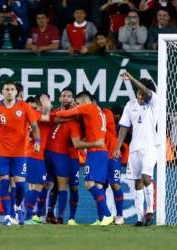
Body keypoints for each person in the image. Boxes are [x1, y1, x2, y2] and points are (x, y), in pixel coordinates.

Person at [55, 91, 114, 226]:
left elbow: (65, 113)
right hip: (102, 152)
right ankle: (101, 218)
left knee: (89, 184)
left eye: (78, 102)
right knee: (98, 186)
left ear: (83, 100)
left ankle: (108, 214)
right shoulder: (98, 110)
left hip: (95, 152)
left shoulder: (88, 107)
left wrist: (54, 114)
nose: (77, 105)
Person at [113, 71, 158, 226]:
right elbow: (124, 127)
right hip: (134, 149)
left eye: (142, 91)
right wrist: (118, 147)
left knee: (146, 178)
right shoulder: (130, 105)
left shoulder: (154, 102)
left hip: (151, 147)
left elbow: (147, 91)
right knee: (137, 183)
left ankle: (150, 211)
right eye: (138, 92)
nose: (140, 94)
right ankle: (139, 218)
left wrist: (131, 78)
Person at [0, 80, 40, 226]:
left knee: (21, 185)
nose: (9, 91)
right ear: (2, 92)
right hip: (1, 151)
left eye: (12, 89)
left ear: (16, 92)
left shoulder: (24, 106)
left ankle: (18, 207)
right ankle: (7, 216)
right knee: (4, 182)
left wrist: (38, 142)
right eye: (6, 89)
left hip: (20, 152)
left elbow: (34, 125)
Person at [24, 93, 52, 224]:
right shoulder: (34, 113)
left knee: (37, 186)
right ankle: (27, 216)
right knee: (37, 185)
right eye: (47, 102)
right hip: (34, 154)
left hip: (36, 155)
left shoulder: (35, 114)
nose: (49, 105)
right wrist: (45, 102)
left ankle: (28, 215)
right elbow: (47, 117)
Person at [103, 108, 124, 225]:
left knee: (115, 184)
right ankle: (104, 217)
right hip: (100, 156)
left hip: (113, 155)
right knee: (101, 187)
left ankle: (120, 216)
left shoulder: (107, 113)